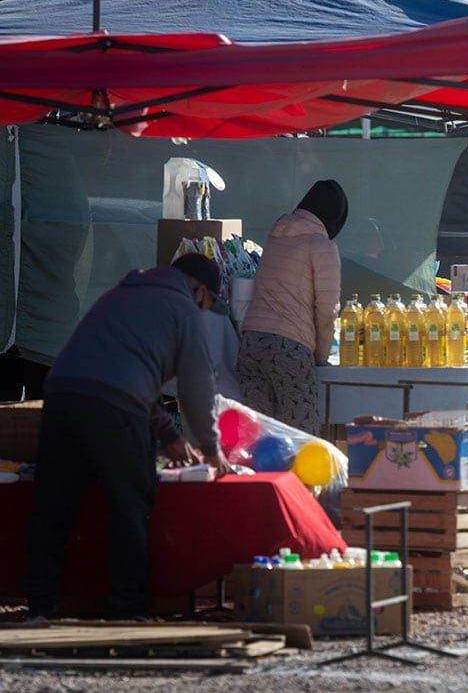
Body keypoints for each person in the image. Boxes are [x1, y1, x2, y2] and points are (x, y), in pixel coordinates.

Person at [25, 254, 229, 620]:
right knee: (130, 506)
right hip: (115, 409)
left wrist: (167, 435)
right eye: (209, 303)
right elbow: (197, 390)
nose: (205, 311)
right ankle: (128, 610)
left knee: (52, 508)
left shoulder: (121, 294)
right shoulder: (184, 310)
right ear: (199, 291)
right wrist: (212, 450)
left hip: (61, 396)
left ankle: (38, 607)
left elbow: (121, 372)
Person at [239, 180, 347, 434]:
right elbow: (327, 311)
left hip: (251, 344)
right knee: (300, 438)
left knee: (258, 438)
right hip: (289, 350)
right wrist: (320, 357)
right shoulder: (322, 246)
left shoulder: (276, 235)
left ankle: (255, 476)